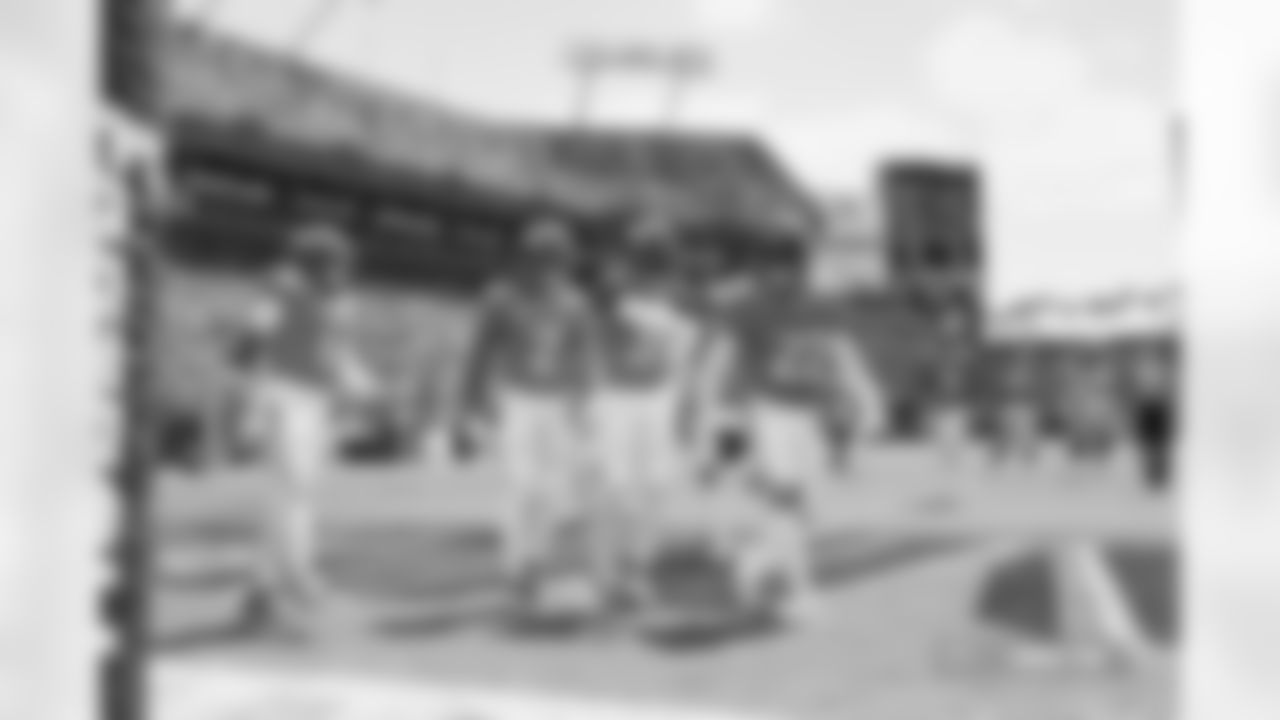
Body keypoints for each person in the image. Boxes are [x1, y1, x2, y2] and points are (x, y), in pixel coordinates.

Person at [693, 243, 885, 624]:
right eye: (771, 268)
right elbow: (718, 361)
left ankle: (755, 566)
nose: (779, 276)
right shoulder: (747, 307)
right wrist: (706, 416)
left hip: (809, 417)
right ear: (763, 269)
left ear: (801, 269)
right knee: (784, 502)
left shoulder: (821, 306)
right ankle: (795, 590)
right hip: (767, 414)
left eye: (788, 268)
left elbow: (844, 355)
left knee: (804, 509)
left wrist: (869, 398)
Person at [450, 217, 597, 612]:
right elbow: (478, 356)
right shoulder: (501, 297)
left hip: (558, 404)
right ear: (527, 259)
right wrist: (467, 410)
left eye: (558, 259)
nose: (550, 267)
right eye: (542, 258)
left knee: (552, 492)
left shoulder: (575, 302)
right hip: (515, 401)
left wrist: (584, 409)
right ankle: (519, 566)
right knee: (521, 487)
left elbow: (583, 359)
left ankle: (536, 562)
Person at [234, 221, 370, 633]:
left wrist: (363, 389)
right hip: (281, 397)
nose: (344, 273)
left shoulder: (337, 303)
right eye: (336, 265)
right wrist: (254, 393)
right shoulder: (284, 290)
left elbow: (333, 354)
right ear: (314, 265)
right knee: (292, 488)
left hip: (313, 403)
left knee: (294, 492)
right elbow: (250, 342)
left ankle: (262, 588)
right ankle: (297, 573)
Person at [584, 217, 708, 605]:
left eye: (657, 256)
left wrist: (686, 405)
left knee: (655, 486)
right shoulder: (613, 296)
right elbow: (602, 342)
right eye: (645, 256)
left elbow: (682, 358)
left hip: (657, 398)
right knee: (616, 488)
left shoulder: (674, 301)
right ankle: (610, 574)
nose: (652, 266)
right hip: (617, 399)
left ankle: (634, 567)